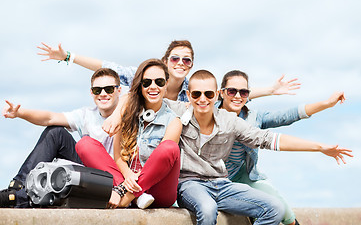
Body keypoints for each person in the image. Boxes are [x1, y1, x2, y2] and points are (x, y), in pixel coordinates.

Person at [165, 70, 352, 225]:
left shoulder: (237, 120)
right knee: (207, 208)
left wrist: (320, 146)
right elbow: (150, 98)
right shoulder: (186, 109)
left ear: (216, 95)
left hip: (230, 181)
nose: (203, 99)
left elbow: (275, 131)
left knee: (278, 209)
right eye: (197, 94)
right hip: (195, 182)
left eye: (208, 94)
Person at [37, 41, 301, 135]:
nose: (181, 63)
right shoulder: (148, 76)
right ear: (166, 61)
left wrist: (270, 90)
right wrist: (69, 56)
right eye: (175, 58)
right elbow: (108, 66)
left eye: (187, 60)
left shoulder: (192, 89)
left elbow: (225, 96)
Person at [217, 70, 346, 225]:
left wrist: (326, 104)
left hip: (244, 175)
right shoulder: (208, 112)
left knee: (286, 214)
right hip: (216, 178)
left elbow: (287, 115)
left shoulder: (254, 117)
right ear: (222, 93)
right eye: (232, 91)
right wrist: (269, 91)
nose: (238, 96)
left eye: (243, 92)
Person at [0, 68, 121, 208]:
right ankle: (17, 187)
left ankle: (15, 199)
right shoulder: (86, 115)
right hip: (88, 170)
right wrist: (19, 113)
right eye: (97, 90)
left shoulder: (128, 112)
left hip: (112, 176)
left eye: (109, 89)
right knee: (56, 132)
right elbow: (50, 118)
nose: (103, 94)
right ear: (91, 92)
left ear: (119, 91)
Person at [75, 59, 182, 209]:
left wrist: (127, 190)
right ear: (140, 85)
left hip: (158, 190)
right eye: (147, 82)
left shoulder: (174, 121)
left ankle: (127, 197)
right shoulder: (127, 112)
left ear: (166, 84)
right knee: (84, 144)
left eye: (159, 82)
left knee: (169, 148)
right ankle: (135, 197)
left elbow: (163, 163)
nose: (153, 86)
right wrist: (128, 176)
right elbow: (118, 156)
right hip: (127, 181)